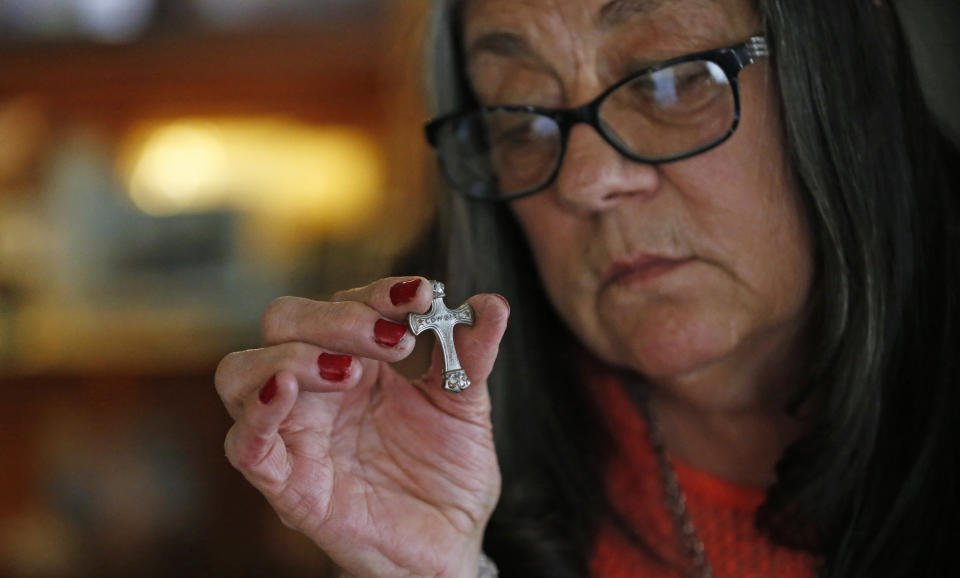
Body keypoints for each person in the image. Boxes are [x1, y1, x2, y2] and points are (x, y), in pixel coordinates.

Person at [214, 0, 960, 576]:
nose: (585, 181)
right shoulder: (444, 450)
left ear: (836, 68)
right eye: (520, 117)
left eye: (669, 81)